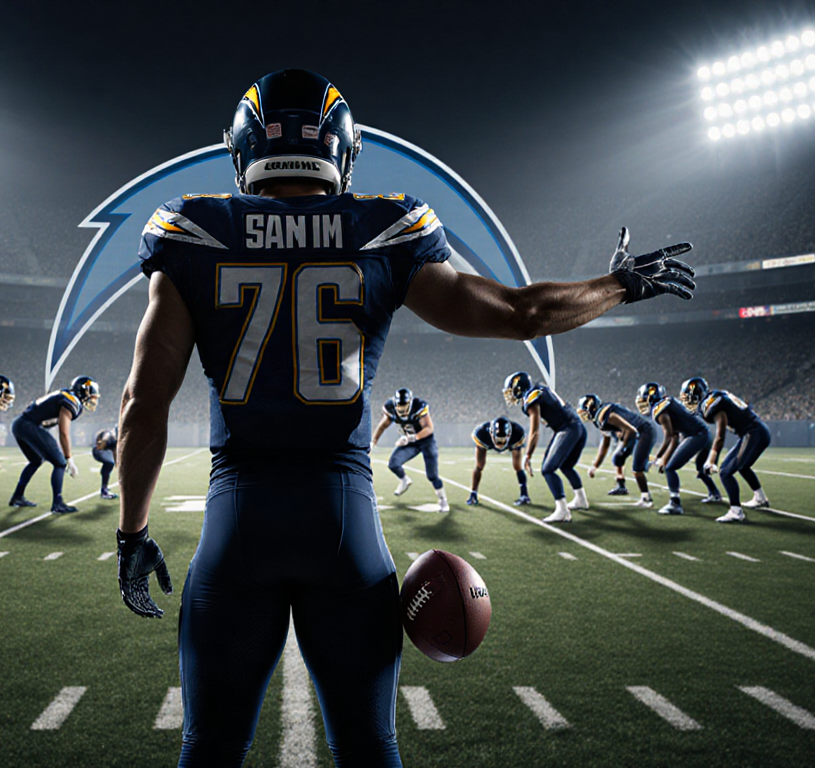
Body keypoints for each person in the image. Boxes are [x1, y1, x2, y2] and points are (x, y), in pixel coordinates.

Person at [114, 68, 694, 768]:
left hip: (237, 525)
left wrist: (132, 533)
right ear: (342, 150)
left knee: (209, 751)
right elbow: (522, 314)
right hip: (343, 527)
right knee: (369, 750)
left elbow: (143, 407)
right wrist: (619, 285)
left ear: (242, 152)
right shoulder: (385, 227)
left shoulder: (192, 230)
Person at [681, 377, 771, 523]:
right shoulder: (718, 395)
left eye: (687, 396)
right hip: (758, 431)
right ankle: (760, 498)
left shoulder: (713, 404)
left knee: (725, 471)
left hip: (753, 433)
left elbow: (720, 434)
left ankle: (736, 511)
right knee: (743, 466)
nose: (686, 400)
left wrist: (711, 460)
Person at [8, 376, 99, 514]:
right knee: (60, 463)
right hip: (29, 425)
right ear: (83, 392)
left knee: (35, 460)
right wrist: (69, 458)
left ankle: (17, 496)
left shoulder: (64, 395)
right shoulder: (71, 400)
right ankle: (58, 504)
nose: (94, 400)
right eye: (92, 396)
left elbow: (47, 421)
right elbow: (63, 432)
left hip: (20, 424)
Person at [507, 371, 588, 523]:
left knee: (548, 469)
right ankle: (581, 499)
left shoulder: (531, 397)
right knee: (566, 466)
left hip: (568, 428)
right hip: (578, 427)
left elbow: (534, 430)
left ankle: (562, 510)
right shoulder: (541, 389)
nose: (510, 394)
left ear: (518, 387)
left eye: (511, 389)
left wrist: (528, 455)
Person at [640, 381, 713, 516]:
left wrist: (658, 457)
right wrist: (664, 458)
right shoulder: (668, 404)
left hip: (696, 435)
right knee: (699, 468)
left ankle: (675, 503)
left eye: (643, 397)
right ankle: (714, 493)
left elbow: (668, 437)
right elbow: (674, 438)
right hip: (704, 433)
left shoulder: (660, 410)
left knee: (670, 468)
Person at [371, 387, 448, 512]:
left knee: (432, 475)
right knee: (393, 464)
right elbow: (382, 425)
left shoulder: (419, 406)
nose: (401, 409)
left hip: (426, 441)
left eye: (404, 405)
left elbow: (429, 429)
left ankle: (443, 500)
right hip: (410, 442)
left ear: (410, 403)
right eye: (399, 406)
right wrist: (373, 442)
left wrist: (412, 437)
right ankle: (404, 480)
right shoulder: (390, 408)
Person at [578, 393, 656, 508]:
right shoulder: (599, 418)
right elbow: (605, 444)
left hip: (644, 432)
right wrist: (595, 466)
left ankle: (646, 499)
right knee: (618, 458)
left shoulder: (606, 416)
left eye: (584, 411)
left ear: (591, 408)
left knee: (637, 469)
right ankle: (625, 485)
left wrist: (623, 446)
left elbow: (632, 431)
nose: (583, 414)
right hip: (637, 433)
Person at [466, 416, 529, 506]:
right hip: (487, 442)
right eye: (499, 439)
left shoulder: (517, 433)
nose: (501, 442)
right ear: (491, 433)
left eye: (503, 439)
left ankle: (524, 494)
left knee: (518, 466)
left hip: (512, 442)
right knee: (479, 466)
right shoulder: (481, 433)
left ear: (509, 434)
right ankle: (473, 494)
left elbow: (519, 442)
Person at [93, 426, 119, 500]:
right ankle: (104, 490)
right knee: (109, 463)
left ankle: (104, 487)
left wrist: (116, 462)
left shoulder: (116, 440)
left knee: (110, 464)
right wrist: (102, 443)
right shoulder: (109, 434)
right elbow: (104, 439)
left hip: (103, 451)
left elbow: (114, 451)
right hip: (98, 451)